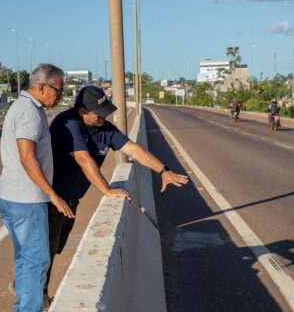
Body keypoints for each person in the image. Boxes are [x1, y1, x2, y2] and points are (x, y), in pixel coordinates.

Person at [44, 85, 188, 290]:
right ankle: (36, 298)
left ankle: (29, 285)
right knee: (45, 253)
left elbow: (133, 149)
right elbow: (83, 159)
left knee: (55, 248)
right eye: (99, 114)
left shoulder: (104, 128)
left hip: (71, 200)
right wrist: (106, 189)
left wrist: (163, 171)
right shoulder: (67, 123)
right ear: (83, 112)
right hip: (51, 200)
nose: (104, 117)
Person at [0, 63, 75, 312]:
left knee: (24, 259)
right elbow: (27, 157)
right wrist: (53, 195)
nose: (60, 95)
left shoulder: (23, 107)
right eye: (58, 90)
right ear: (41, 86)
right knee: (38, 260)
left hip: (11, 197)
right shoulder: (30, 112)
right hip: (27, 200)